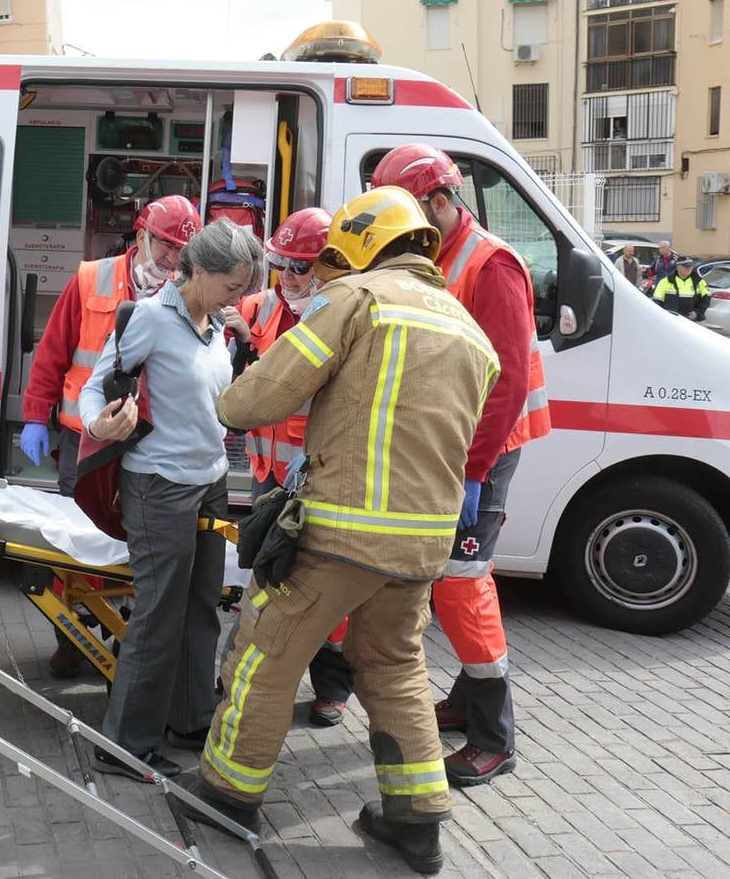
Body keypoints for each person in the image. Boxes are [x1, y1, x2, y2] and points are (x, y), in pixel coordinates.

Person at [180, 186, 498, 875]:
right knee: (395, 669)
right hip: (422, 547)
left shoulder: (358, 300)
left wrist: (231, 394)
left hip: (341, 537)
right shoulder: (466, 327)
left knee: (267, 656)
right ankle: (416, 822)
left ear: (358, 241)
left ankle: (225, 798)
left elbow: (259, 398)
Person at [371, 143, 551, 786]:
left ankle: (494, 736)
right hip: (454, 448)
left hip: (485, 450)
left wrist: (474, 471)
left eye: (411, 217)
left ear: (442, 203)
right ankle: (468, 699)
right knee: (448, 581)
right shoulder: (438, 257)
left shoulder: (491, 264)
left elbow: (501, 385)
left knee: (462, 585)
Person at [79, 220, 261, 782]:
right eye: (232, 285)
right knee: (159, 615)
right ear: (197, 272)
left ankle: (189, 718)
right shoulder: (152, 320)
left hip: (207, 481)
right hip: (158, 485)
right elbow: (93, 386)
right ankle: (125, 744)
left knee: (201, 604)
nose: (240, 296)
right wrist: (100, 424)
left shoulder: (216, 327)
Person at [19, 195, 202, 678]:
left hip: (150, 441)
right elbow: (54, 352)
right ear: (140, 234)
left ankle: (129, 635)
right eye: (165, 243)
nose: (172, 257)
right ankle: (70, 638)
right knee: (77, 542)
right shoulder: (90, 278)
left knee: (135, 544)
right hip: (87, 438)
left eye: (182, 249)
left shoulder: (191, 294)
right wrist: (37, 415)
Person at [234, 207, 354, 728]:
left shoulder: (344, 315)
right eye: (280, 264)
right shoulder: (259, 307)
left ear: (329, 265)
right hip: (269, 476)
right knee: (270, 581)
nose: (287, 277)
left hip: (320, 478)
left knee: (326, 592)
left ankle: (332, 686)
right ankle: (265, 678)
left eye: (299, 267)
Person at [654, 256, 711, 321]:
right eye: (686, 266)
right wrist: (665, 316)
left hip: (693, 321)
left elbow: (706, 299)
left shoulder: (699, 281)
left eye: (690, 266)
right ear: (678, 267)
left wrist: (697, 312)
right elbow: (657, 302)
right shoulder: (665, 281)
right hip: (672, 321)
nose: (689, 268)